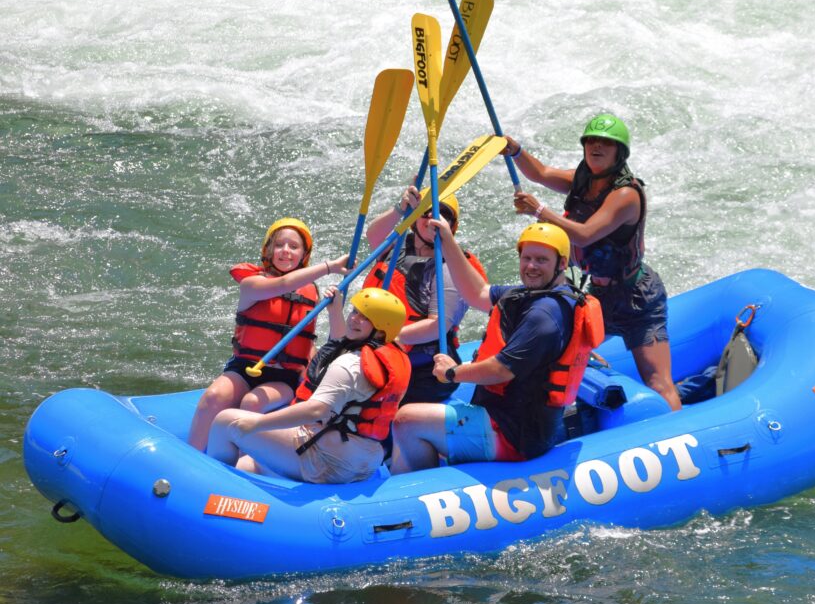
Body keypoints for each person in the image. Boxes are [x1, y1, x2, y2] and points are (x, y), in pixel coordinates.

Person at [389, 222, 603, 473]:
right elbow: (477, 292)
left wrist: (452, 373)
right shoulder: (530, 293)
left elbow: (501, 370)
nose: (531, 266)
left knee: (406, 420)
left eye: (541, 260)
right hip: (508, 416)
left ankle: (419, 493)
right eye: (527, 258)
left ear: (562, 263)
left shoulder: (545, 314)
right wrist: (447, 240)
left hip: (514, 434)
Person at [502, 114, 682, 410]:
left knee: (658, 381)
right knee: (557, 350)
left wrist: (540, 211)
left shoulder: (625, 194)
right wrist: (516, 150)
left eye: (606, 143)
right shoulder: (583, 181)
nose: (596, 147)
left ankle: (677, 429)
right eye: (591, 141)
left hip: (638, 298)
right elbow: (542, 173)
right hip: (599, 294)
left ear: (619, 153)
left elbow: (585, 236)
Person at [206, 287, 410, 484]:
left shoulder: (350, 364)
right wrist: (335, 311)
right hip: (365, 462)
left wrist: (257, 424)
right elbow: (343, 346)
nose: (354, 318)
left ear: (381, 331)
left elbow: (317, 409)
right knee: (249, 464)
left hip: (327, 461)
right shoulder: (396, 360)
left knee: (226, 421)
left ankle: (210, 492)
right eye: (355, 311)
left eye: (365, 318)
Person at [187, 218, 349, 451]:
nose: (286, 251)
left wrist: (335, 308)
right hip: (244, 368)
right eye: (280, 245)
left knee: (253, 402)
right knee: (213, 397)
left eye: (294, 247)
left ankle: (236, 462)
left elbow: (337, 341)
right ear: (268, 250)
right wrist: (329, 267)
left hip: (284, 378)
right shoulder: (252, 285)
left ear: (303, 254)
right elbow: (283, 284)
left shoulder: (312, 293)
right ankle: (193, 457)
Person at [362, 187, 487, 404]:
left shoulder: (450, 266)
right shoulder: (398, 245)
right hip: (378, 348)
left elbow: (437, 325)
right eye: (426, 212)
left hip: (422, 366)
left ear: (452, 226)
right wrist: (400, 210)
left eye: (443, 214)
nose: (432, 219)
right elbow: (373, 236)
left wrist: (383, 339)